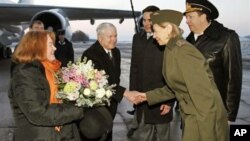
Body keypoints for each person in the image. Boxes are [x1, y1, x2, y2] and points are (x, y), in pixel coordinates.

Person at [134, 10, 229, 141]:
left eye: (156, 31)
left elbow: (205, 98)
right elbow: (176, 86)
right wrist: (146, 96)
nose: (154, 36)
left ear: (168, 29)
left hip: (203, 117)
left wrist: (208, 135)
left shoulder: (184, 52)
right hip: (192, 113)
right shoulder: (170, 49)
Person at [9, 31, 85, 141]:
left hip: (62, 134)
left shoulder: (54, 70)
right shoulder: (24, 74)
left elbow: (64, 100)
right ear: (37, 47)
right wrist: (79, 110)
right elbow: (38, 112)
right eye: (50, 44)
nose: (54, 48)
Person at [184, 0, 242, 123]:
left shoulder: (227, 38)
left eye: (190, 17)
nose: (186, 21)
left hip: (215, 111)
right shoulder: (187, 42)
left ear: (203, 17)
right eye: (186, 17)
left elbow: (233, 79)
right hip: (189, 111)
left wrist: (229, 116)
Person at [81, 22, 136, 141]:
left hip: (112, 105)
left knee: (108, 135)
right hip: (97, 108)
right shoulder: (90, 55)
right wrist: (125, 93)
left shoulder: (116, 52)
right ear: (100, 38)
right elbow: (101, 84)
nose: (114, 39)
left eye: (115, 36)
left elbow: (115, 78)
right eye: (110, 36)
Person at [128, 5, 174, 141]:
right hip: (142, 98)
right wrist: (133, 93)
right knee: (143, 136)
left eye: (150, 20)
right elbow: (134, 68)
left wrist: (171, 102)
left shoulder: (167, 39)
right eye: (144, 20)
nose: (147, 24)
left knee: (163, 137)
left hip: (162, 98)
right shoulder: (137, 38)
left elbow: (174, 73)